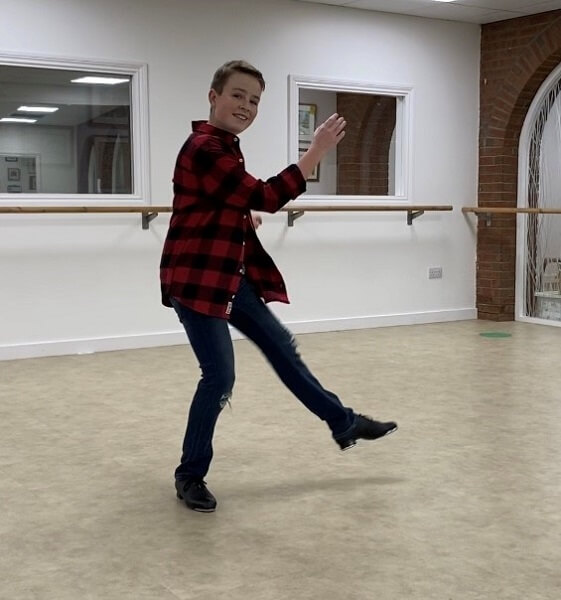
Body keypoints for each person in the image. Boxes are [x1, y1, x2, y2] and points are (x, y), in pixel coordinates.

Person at [160, 60, 397, 513]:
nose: (245, 106)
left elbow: (224, 199)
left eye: (254, 100)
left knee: (282, 347)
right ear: (214, 96)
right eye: (237, 95)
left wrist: (236, 214)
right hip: (197, 282)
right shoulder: (205, 146)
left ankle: (343, 423)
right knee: (219, 376)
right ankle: (190, 475)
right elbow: (265, 195)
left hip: (230, 274)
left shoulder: (226, 147)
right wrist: (317, 150)